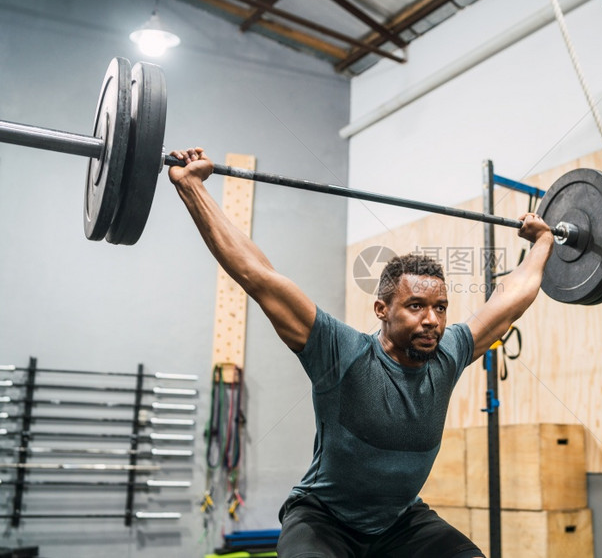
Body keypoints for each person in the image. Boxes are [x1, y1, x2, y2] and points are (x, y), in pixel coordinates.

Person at [168, 147, 554, 558]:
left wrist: (544, 242)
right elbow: (257, 275)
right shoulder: (343, 352)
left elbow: (512, 298)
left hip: (400, 522)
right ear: (382, 310)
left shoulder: (449, 353)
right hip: (323, 520)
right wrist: (193, 188)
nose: (432, 320)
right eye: (416, 306)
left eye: (440, 307)